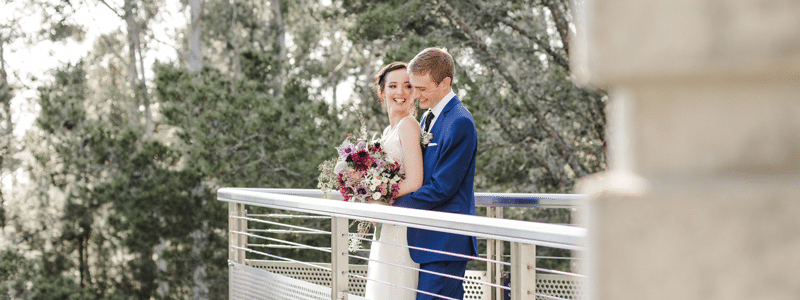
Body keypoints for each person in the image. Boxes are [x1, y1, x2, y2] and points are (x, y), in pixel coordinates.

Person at [395, 47, 479, 300]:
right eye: (414, 87)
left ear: (445, 83)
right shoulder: (428, 119)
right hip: (424, 239)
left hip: (445, 241)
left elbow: (443, 187)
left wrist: (393, 205)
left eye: (422, 89)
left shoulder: (459, 122)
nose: (416, 96)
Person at [364, 61, 424, 299]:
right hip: (387, 223)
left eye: (408, 86)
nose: (400, 93)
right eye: (393, 86)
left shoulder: (409, 126)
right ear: (382, 92)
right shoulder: (388, 132)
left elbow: (415, 182)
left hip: (401, 226)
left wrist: (377, 194)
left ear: (415, 92)